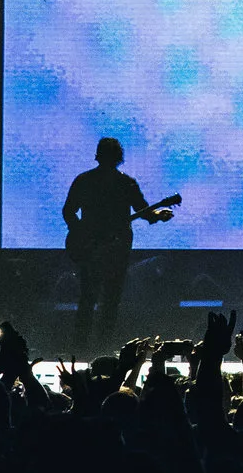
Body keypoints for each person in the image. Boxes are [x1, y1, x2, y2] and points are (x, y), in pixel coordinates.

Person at [62, 136, 170, 348]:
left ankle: (85, 349)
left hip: (108, 252)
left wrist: (81, 232)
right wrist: (84, 235)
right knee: (105, 302)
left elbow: (68, 211)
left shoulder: (86, 180)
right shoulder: (123, 183)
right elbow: (146, 211)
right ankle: (98, 348)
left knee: (92, 300)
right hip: (105, 251)